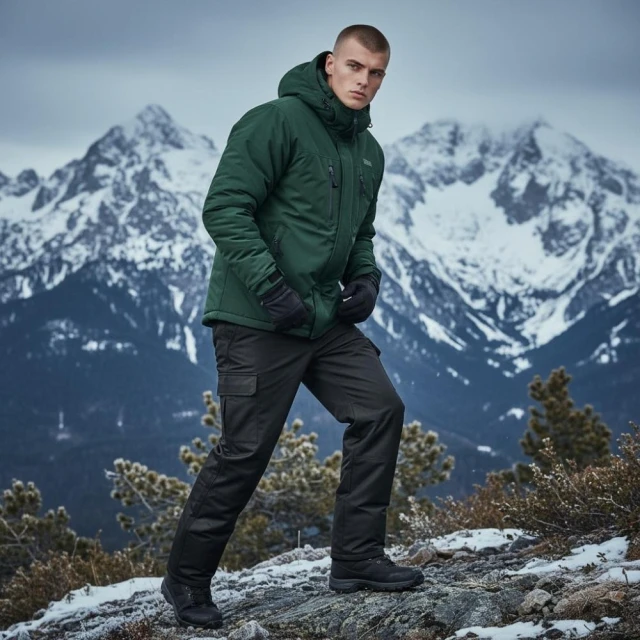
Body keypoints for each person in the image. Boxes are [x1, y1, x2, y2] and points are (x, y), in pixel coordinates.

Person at [161, 24, 424, 630]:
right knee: (246, 449)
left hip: (320, 318)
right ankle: (186, 581)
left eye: (377, 73)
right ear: (331, 64)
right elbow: (224, 207)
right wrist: (270, 287)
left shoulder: (368, 151)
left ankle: (356, 559)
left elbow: (360, 233)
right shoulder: (275, 121)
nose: (364, 81)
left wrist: (366, 279)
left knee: (380, 409)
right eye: (355, 67)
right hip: (256, 316)